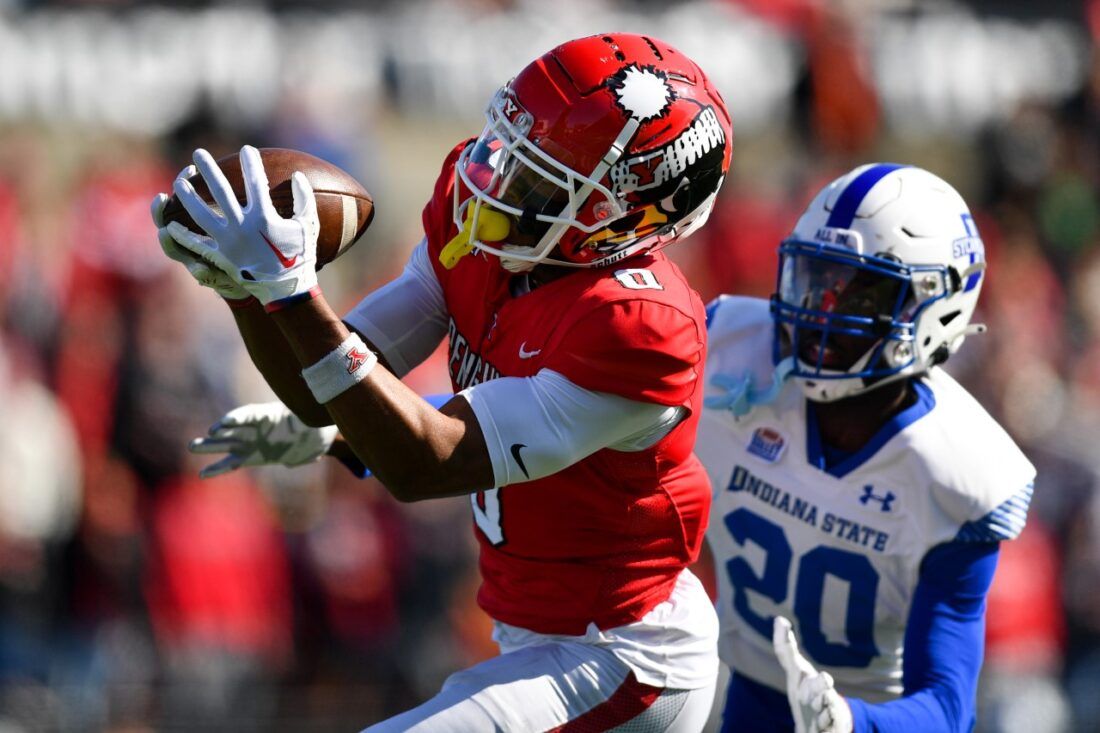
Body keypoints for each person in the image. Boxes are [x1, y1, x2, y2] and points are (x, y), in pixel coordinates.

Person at [152, 33, 733, 732]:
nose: (496, 182)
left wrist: (290, 295)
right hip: (539, 639)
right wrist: (242, 287)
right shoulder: (482, 223)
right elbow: (325, 382)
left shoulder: (639, 326)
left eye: (541, 180)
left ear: (627, 216)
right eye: (507, 150)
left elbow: (428, 460)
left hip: (623, 656)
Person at [696, 163, 1036, 733]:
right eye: (814, 278)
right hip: (744, 694)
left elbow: (949, 707)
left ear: (937, 310)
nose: (820, 311)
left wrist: (848, 722)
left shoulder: (958, 471)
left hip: (876, 715)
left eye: (860, 293)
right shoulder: (727, 351)